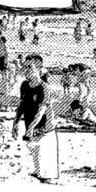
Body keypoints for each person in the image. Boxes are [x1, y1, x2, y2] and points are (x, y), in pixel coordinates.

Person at [13, 54, 58, 183]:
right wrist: (15, 123)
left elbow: (41, 110)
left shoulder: (44, 88)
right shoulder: (24, 85)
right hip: (31, 123)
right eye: (25, 67)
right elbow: (21, 105)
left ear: (38, 68)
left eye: (29, 67)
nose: (26, 70)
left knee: (43, 152)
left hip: (44, 126)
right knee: (33, 149)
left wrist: (31, 127)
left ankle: (45, 176)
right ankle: (39, 172)